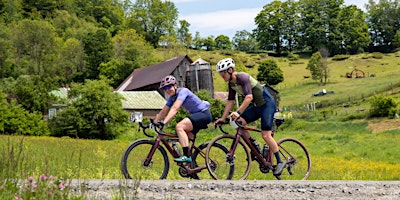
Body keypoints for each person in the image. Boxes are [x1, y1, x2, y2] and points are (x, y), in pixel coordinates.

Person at [214, 58, 286, 175]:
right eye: (220, 73)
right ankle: (254, 145)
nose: (222, 76)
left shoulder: (242, 77)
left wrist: (238, 112)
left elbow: (249, 97)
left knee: (266, 135)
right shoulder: (231, 84)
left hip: (267, 104)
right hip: (257, 107)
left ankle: (280, 161)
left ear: (230, 70)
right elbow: (230, 101)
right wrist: (223, 118)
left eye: (223, 73)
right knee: (238, 123)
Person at [154, 75, 212, 163]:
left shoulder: (183, 91)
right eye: (164, 88)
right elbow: (163, 112)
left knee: (179, 127)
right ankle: (191, 166)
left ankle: (186, 156)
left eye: (169, 86)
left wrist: (164, 122)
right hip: (197, 116)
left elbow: (175, 108)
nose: (167, 90)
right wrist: (154, 123)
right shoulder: (172, 98)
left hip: (203, 114)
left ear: (175, 85)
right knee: (185, 137)